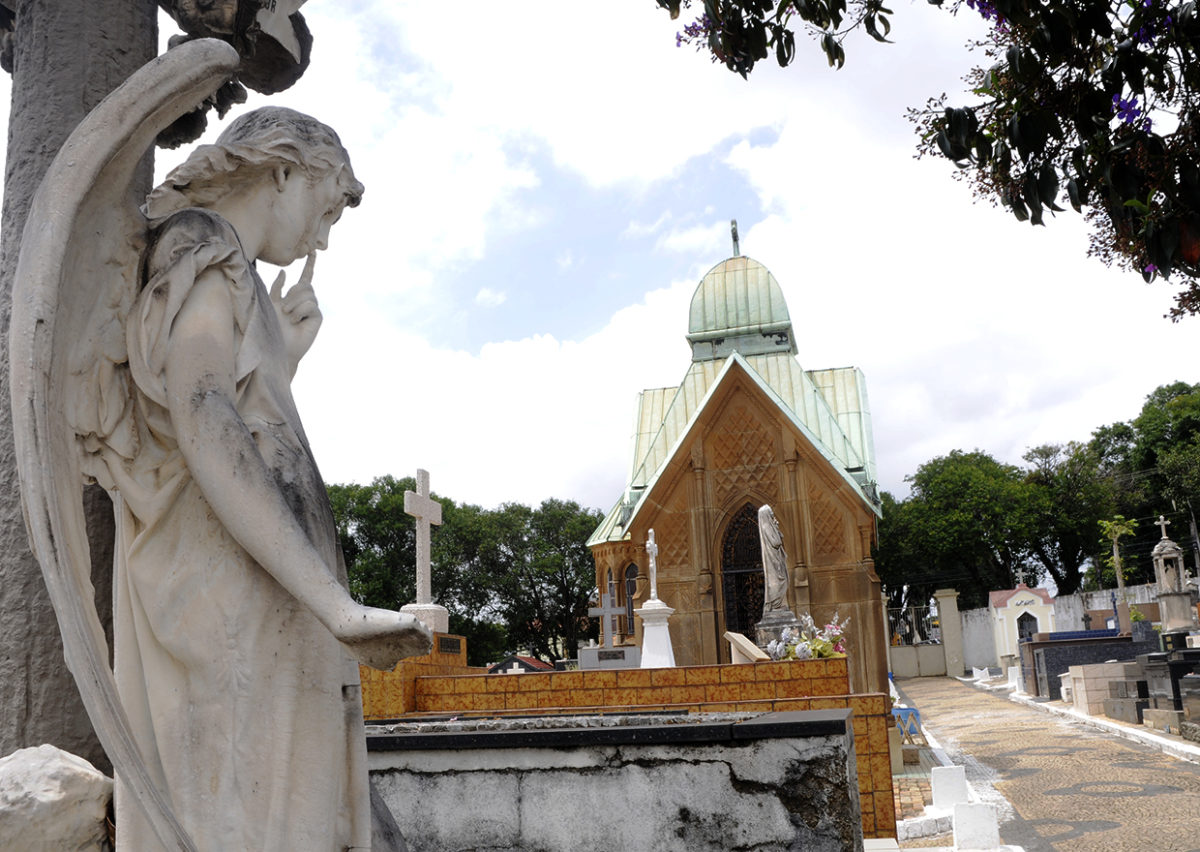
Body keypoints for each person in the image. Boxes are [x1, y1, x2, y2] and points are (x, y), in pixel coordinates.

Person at [93, 106, 430, 850]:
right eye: (329, 204)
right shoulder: (202, 245)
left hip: (266, 584)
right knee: (255, 818)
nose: (325, 236)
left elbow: (239, 412)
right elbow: (202, 411)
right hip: (231, 593)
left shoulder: (230, 271)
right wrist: (332, 603)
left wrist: (282, 356)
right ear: (282, 172)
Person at [758, 504, 790, 615]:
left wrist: (776, 528)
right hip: (773, 561)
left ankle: (779, 605)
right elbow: (776, 542)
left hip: (777, 559)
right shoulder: (766, 526)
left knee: (782, 580)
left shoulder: (769, 526)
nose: (773, 514)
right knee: (777, 581)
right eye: (770, 512)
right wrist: (775, 529)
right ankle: (776, 605)